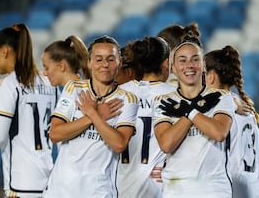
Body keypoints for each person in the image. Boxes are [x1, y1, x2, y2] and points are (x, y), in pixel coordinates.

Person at [0, 23, 58, 197]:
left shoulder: (9, 84)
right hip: (50, 180)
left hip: (21, 183)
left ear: (5, 51)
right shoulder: (50, 83)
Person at [42, 35, 138, 198]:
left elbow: (119, 143)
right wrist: (96, 115)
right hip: (60, 190)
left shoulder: (128, 99)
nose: (104, 65)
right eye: (99, 59)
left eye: (110, 59)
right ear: (89, 62)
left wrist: (92, 113)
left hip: (99, 192)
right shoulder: (74, 88)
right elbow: (55, 134)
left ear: (119, 63)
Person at [153, 41, 234, 197]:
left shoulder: (222, 97)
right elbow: (166, 144)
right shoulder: (163, 101)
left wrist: (188, 110)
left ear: (203, 65)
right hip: (175, 190)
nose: (189, 65)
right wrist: (195, 108)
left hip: (214, 190)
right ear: (173, 68)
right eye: (182, 60)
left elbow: (219, 133)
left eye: (195, 59)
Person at [204, 46, 259, 198]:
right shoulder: (243, 105)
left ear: (211, 76)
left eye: (202, 74)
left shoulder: (217, 107)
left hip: (236, 187)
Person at [117, 36, 176, 198]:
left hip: (119, 185)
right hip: (157, 186)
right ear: (166, 64)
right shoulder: (175, 96)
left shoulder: (119, 94)